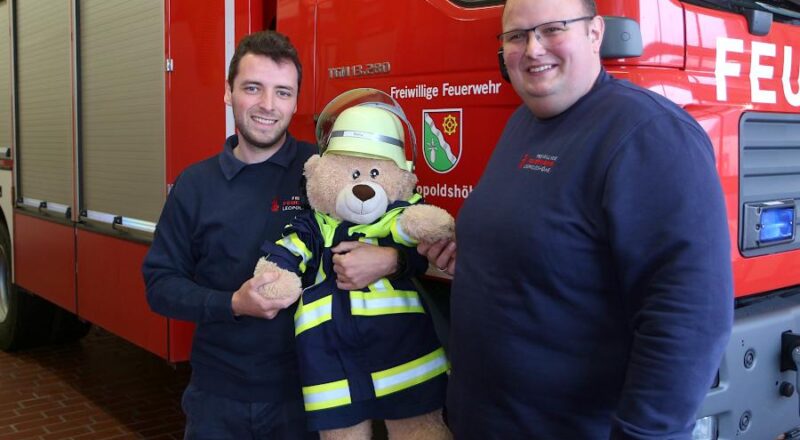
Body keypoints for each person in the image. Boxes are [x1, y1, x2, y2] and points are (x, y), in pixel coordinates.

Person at [419, 0, 734, 438]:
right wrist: (480, 257)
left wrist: (646, 433)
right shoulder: (522, 124)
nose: (532, 49)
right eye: (516, 36)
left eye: (552, 29)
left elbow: (688, 316)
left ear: (595, 33)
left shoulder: (648, 133)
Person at [142, 31, 411, 439]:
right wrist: (232, 303)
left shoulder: (325, 172)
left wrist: (393, 260)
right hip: (218, 397)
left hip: (311, 393)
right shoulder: (195, 184)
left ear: (296, 101)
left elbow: (397, 231)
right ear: (229, 93)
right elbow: (160, 284)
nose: (268, 106)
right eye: (253, 88)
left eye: (282, 92)